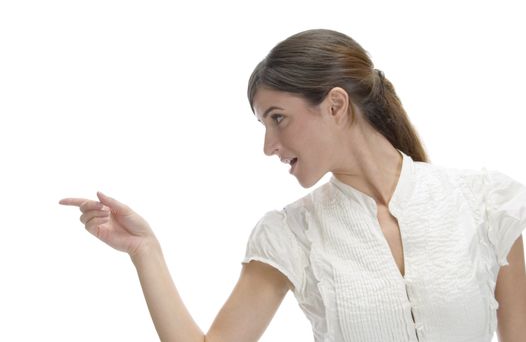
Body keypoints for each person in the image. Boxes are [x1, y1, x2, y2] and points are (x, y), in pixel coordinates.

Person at [59, 29, 526, 342]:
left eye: (278, 119)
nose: (269, 145)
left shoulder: (485, 204)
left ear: (336, 106)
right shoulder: (292, 233)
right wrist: (146, 251)